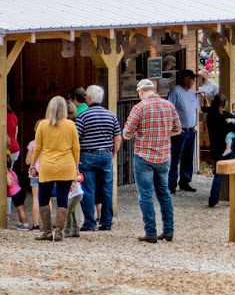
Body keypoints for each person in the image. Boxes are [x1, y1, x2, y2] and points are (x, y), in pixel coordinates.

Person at [123, 79, 182, 243]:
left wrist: (139, 134)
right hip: (164, 156)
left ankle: (150, 232)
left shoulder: (139, 107)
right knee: (164, 194)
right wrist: (163, 136)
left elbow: (126, 133)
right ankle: (168, 231)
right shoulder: (168, 106)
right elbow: (178, 129)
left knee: (146, 195)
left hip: (144, 156)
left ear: (141, 92)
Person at [29, 95, 80, 242]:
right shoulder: (70, 125)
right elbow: (76, 148)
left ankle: (46, 231)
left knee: (43, 198)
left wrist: (32, 166)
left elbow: (37, 148)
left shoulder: (43, 125)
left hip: (47, 165)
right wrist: (76, 166)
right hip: (66, 165)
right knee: (63, 198)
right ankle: (59, 231)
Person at [74, 84, 121, 232]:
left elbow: (76, 138)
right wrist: (113, 152)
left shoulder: (82, 116)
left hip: (87, 154)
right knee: (107, 189)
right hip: (106, 154)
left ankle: (89, 223)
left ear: (88, 98)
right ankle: (106, 223)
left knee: (88, 189)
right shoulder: (111, 115)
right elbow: (118, 137)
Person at [207, 94, 235, 208]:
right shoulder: (227, 116)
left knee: (218, 176)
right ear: (225, 104)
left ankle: (213, 199)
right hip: (231, 149)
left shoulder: (210, 116)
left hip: (216, 148)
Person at [167, 69, 200, 193]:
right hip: (179, 131)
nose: (192, 81)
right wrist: (175, 127)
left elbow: (195, 109)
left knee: (188, 157)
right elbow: (170, 110)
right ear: (185, 78)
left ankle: (185, 182)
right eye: (191, 78)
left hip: (191, 130)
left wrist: (196, 125)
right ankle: (171, 184)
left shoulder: (192, 93)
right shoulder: (175, 91)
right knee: (175, 158)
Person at [25, 124, 42, 230]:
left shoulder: (32, 144)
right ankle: (47, 224)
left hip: (34, 173)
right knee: (47, 198)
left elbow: (27, 161)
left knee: (36, 198)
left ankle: (36, 224)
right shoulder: (48, 143)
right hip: (46, 172)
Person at [6, 154, 29, 230]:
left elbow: (9, 183)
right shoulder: (12, 172)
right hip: (20, 191)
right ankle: (21, 223)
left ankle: (25, 224)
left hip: (16, 194)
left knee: (21, 210)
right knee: (20, 209)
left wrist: (5, 174)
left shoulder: (7, 174)